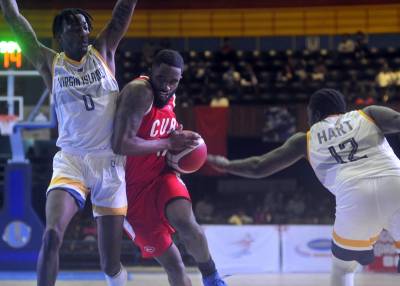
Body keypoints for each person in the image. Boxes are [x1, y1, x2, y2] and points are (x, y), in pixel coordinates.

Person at [0, 1, 137, 286]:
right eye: (74, 25)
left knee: (110, 265)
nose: (83, 29)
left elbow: (122, 11)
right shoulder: (50, 62)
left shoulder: (103, 52)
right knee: (51, 235)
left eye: (86, 25)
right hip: (71, 161)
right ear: (59, 36)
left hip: (109, 163)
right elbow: (14, 19)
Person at [208, 88, 400, 286]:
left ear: (315, 115)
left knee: (343, 269)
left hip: (354, 197)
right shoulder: (367, 114)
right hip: (396, 183)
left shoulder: (305, 139)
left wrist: (227, 165)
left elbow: (259, 167)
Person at [112, 49, 228, 286]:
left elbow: (159, 130)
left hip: (161, 175)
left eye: (173, 81)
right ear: (151, 71)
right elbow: (120, 143)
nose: (166, 86)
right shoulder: (139, 92)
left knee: (187, 224)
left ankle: (212, 277)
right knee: (174, 265)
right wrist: (168, 141)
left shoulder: (170, 97)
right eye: (161, 78)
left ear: (180, 79)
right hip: (131, 193)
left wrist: (173, 134)